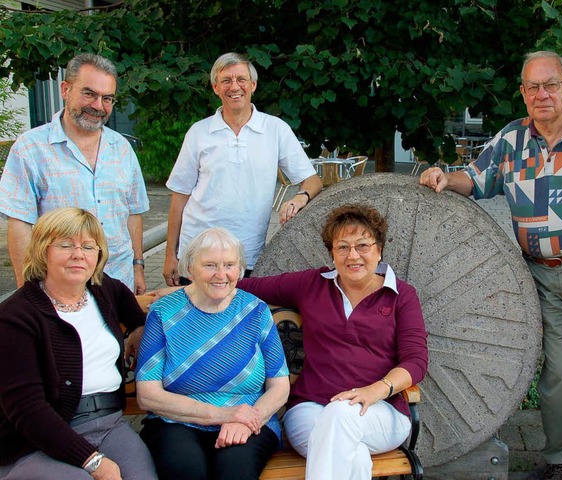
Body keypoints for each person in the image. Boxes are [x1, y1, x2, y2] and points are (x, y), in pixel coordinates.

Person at [419, 51, 562, 480]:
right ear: (523, 94)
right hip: (541, 276)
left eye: (550, 84)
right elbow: (474, 179)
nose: (542, 94)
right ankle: (559, 458)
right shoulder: (511, 140)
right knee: (559, 372)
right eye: (532, 86)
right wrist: (443, 176)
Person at [238, 204, 429, 480]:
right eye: (343, 247)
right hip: (310, 409)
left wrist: (376, 390)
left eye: (362, 245)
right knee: (354, 454)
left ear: (379, 249)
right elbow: (244, 286)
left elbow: (416, 361)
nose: (353, 255)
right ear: (332, 253)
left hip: (381, 412)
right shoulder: (311, 284)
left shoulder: (402, 295)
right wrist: (187, 290)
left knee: (341, 417)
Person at [0, 207, 156, 480]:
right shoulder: (15, 318)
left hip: (109, 425)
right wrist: (93, 462)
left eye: (88, 246)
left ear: (98, 255)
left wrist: (139, 328)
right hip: (36, 440)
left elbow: (134, 312)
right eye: (65, 245)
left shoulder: (103, 289)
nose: (78, 254)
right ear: (42, 251)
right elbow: (26, 410)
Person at [135, 227, 290, 480]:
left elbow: (280, 387)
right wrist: (222, 415)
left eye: (229, 264)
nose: (221, 274)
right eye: (210, 265)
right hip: (176, 421)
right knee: (185, 470)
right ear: (190, 268)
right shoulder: (164, 312)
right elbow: (148, 395)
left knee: (235, 472)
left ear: (239, 269)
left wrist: (247, 420)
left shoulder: (255, 311)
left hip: (248, 421)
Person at [162, 52, 322, 284]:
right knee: (198, 319)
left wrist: (299, 198)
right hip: (198, 255)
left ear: (253, 85)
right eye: (226, 80)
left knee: (240, 319)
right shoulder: (198, 132)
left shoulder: (275, 129)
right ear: (215, 87)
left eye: (241, 79)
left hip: (246, 255)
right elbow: (179, 197)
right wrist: (170, 255)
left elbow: (313, 180)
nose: (234, 87)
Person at [0, 53, 149, 294]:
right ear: (65, 90)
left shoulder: (121, 148)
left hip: (120, 282)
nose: (98, 106)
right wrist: (27, 293)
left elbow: (133, 213)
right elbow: (19, 224)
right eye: (89, 94)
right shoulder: (30, 148)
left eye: (107, 98)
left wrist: (138, 267)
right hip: (59, 288)